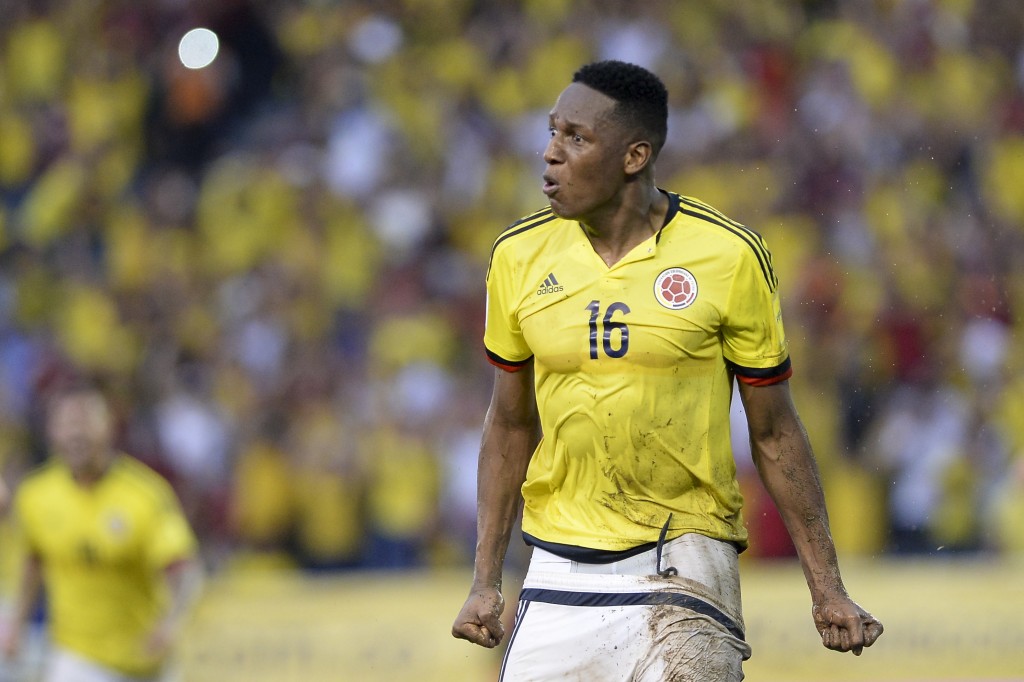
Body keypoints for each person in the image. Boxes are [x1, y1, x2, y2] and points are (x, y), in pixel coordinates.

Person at [451, 60, 883, 680]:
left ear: (635, 156)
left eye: (576, 137)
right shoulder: (517, 256)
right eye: (552, 132)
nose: (550, 153)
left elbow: (773, 431)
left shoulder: (728, 255)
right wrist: (485, 581)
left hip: (685, 562)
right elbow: (510, 424)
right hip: (556, 572)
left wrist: (828, 588)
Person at [0, 385, 202, 682]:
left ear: (108, 427)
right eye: (66, 424)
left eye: (84, 423)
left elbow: (182, 568)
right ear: (52, 432)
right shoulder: (36, 495)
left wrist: (171, 622)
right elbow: (34, 561)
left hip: (144, 660)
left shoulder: (144, 494)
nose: (75, 434)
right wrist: (17, 623)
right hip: (76, 657)